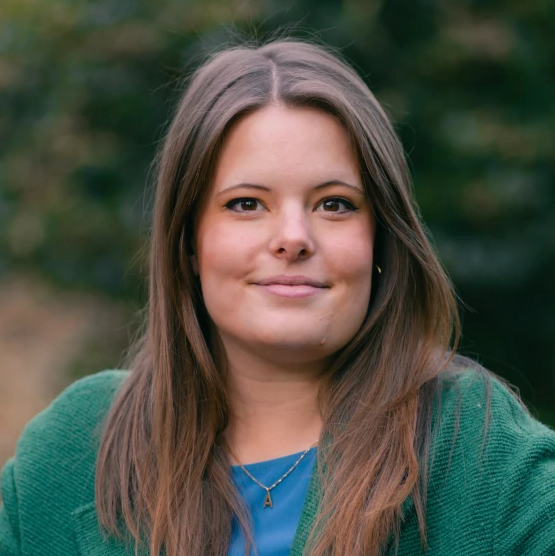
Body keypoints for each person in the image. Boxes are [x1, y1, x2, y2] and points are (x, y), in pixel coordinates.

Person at [1, 39, 554, 556]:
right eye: (246, 204)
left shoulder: (475, 448)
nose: (293, 237)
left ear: (380, 238)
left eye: (334, 204)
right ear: (189, 243)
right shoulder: (75, 448)